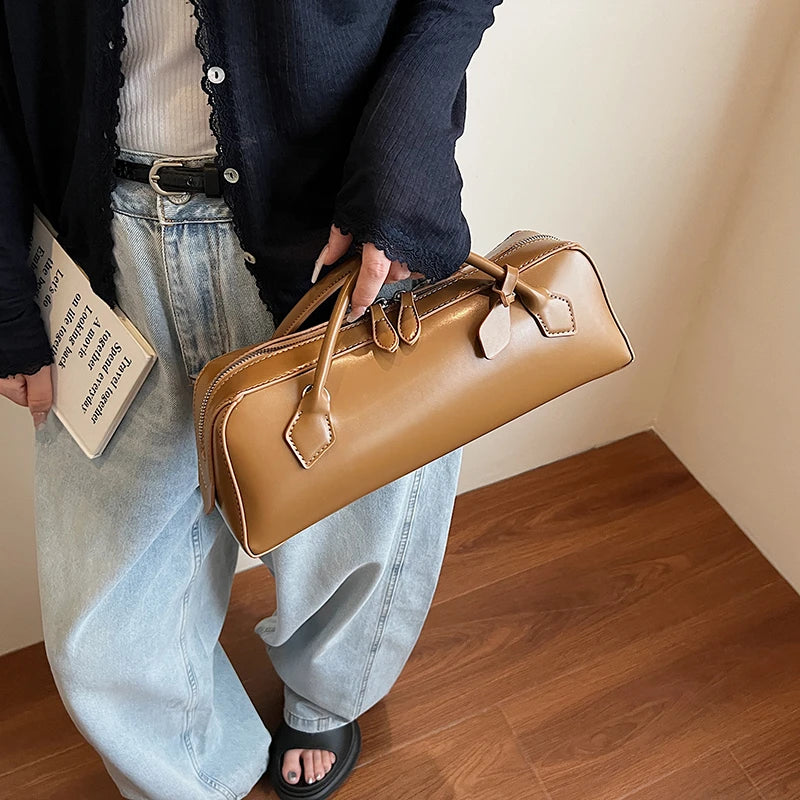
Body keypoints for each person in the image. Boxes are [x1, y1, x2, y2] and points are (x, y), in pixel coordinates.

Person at [0, 1, 503, 798]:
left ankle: (327, 692)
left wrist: (406, 161)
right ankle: (190, 772)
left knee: (359, 522)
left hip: (332, 226)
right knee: (105, 615)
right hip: (101, 240)